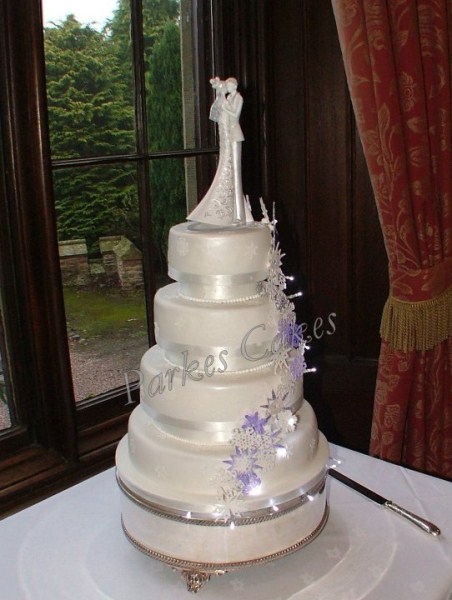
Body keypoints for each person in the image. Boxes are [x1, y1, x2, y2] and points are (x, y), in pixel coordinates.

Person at [187, 77, 248, 226]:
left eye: (229, 84)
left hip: (235, 135)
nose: (228, 86)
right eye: (226, 85)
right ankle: (235, 213)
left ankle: (240, 215)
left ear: (234, 85)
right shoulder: (228, 97)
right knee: (231, 172)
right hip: (228, 137)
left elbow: (235, 114)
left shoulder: (238, 98)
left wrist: (225, 105)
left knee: (236, 173)